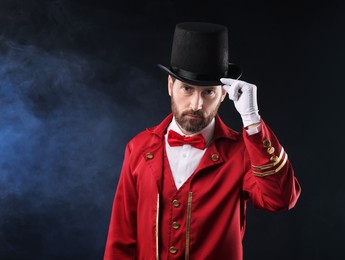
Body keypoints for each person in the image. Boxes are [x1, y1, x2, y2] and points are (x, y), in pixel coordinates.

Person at [104, 22, 301, 260]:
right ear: (170, 86)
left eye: (208, 92)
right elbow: (121, 239)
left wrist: (252, 120)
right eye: (187, 89)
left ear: (223, 95)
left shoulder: (242, 152)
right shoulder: (138, 148)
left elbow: (281, 199)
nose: (196, 105)